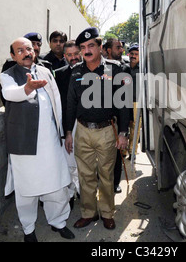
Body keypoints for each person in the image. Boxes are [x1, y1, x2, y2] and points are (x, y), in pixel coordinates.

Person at [0, 37, 75, 242]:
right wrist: (27, 88)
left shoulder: (44, 71)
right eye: (20, 50)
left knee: (56, 186)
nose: (26, 52)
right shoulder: (7, 75)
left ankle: (58, 222)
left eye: (29, 49)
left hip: (50, 142)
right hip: (24, 145)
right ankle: (28, 229)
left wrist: (62, 131)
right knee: (27, 191)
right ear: (13, 55)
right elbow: (10, 94)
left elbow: (56, 100)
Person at [65, 27, 130, 230]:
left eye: (91, 45)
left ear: (101, 47)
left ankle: (107, 213)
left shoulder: (114, 70)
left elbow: (124, 105)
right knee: (85, 176)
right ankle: (88, 213)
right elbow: (70, 104)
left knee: (106, 176)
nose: (87, 51)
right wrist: (68, 132)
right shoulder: (76, 72)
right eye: (83, 47)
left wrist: (123, 133)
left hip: (106, 131)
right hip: (83, 131)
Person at [54, 40, 82, 209]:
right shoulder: (58, 74)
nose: (73, 58)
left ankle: (86, 197)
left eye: (76, 54)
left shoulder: (92, 71)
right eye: (69, 55)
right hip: (68, 126)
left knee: (86, 164)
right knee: (69, 164)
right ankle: (70, 195)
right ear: (64, 56)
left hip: (88, 125)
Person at [104, 38, 131, 193]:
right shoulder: (102, 67)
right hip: (104, 117)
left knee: (117, 152)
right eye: (118, 47)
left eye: (121, 47)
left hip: (119, 116)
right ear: (108, 50)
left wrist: (125, 125)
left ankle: (115, 183)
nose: (121, 50)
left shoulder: (124, 68)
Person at [0, 32, 53, 106]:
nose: (36, 47)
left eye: (38, 44)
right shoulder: (11, 65)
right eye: (33, 44)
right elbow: (6, 92)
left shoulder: (46, 66)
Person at [125, 44, 142, 160]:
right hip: (123, 101)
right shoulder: (124, 67)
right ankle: (122, 151)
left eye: (136, 54)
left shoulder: (143, 69)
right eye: (132, 54)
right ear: (128, 54)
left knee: (135, 128)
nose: (134, 56)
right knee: (123, 126)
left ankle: (132, 152)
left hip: (137, 102)